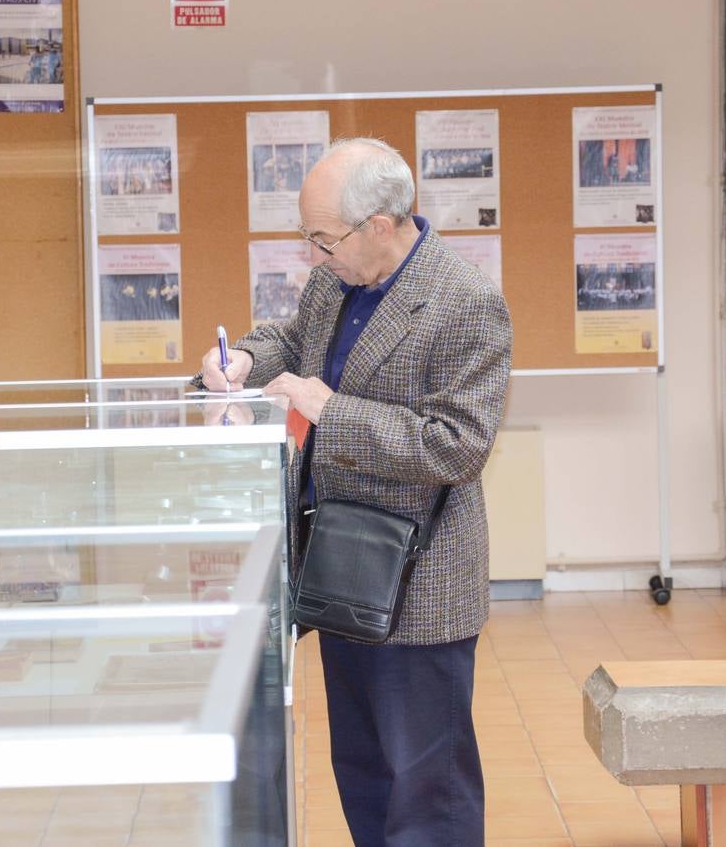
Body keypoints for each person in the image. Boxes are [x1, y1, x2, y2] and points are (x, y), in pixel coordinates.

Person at [197, 137, 513, 846]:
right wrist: (244, 358)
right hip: (339, 570)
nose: (313, 254)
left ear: (380, 224)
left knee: (427, 791)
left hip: (419, 584)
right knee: (364, 774)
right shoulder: (336, 280)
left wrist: (331, 411)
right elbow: (293, 340)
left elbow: (458, 445)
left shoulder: (465, 301)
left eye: (322, 238)